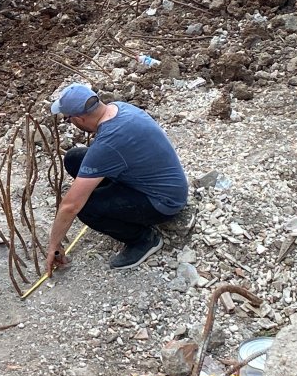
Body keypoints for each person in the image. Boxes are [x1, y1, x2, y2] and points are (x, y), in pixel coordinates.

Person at [44, 83, 189, 274]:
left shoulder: (108, 144)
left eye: (68, 118)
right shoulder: (119, 108)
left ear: (79, 118)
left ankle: (144, 240)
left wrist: (54, 246)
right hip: (161, 182)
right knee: (74, 159)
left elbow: (70, 206)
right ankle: (114, 209)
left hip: (163, 202)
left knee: (86, 208)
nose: (69, 122)